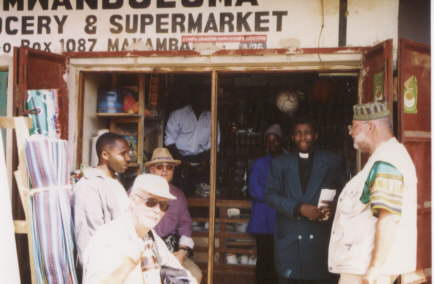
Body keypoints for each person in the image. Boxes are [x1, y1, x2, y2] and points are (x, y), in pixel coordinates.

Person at [328, 102, 417, 284]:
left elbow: (389, 218)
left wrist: (375, 268)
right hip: (361, 264)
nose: (351, 132)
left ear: (370, 126)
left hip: (367, 268)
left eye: (353, 126)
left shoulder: (388, 160)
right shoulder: (381, 158)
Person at [264, 116, 345, 284]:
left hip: (320, 244)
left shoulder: (332, 161)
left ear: (315, 135)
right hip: (290, 243)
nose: (303, 137)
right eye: (298, 133)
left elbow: (345, 194)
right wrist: (298, 208)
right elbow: (270, 195)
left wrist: (334, 207)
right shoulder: (280, 163)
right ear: (292, 137)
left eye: (307, 133)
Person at [82, 174, 197, 284]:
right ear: (132, 200)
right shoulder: (109, 237)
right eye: (151, 202)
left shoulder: (150, 236)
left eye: (163, 206)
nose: (157, 210)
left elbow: (179, 274)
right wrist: (127, 265)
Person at [146, 147, 203, 283]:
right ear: (151, 170)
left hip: (170, 249)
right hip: (145, 249)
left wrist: (183, 251)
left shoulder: (178, 195)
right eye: (160, 167)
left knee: (195, 275)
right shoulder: (140, 190)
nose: (165, 170)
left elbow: (185, 224)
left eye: (169, 167)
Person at [73, 132, 131, 261]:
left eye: (128, 153)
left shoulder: (114, 181)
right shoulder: (89, 186)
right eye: (123, 153)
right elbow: (89, 236)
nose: (128, 158)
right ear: (105, 155)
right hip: (104, 265)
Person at [164, 87, 220, 196]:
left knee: (202, 195)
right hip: (179, 160)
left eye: (206, 98)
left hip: (201, 162)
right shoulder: (178, 115)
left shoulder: (212, 117)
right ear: (192, 98)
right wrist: (183, 162)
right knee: (178, 195)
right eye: (200, 97)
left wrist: (202, 161)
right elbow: (169, 141)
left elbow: (214, 144)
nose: (203, 100)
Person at [247, 124, 283, 284]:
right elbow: (254, 190)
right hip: (263, 221)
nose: (272, 145)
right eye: (269, 142)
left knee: (280, 261)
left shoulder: (287, 161)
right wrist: (277, 197)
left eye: (275, 141)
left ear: (281, 142)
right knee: (264, 260)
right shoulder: (259, 164)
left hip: (281, 220)